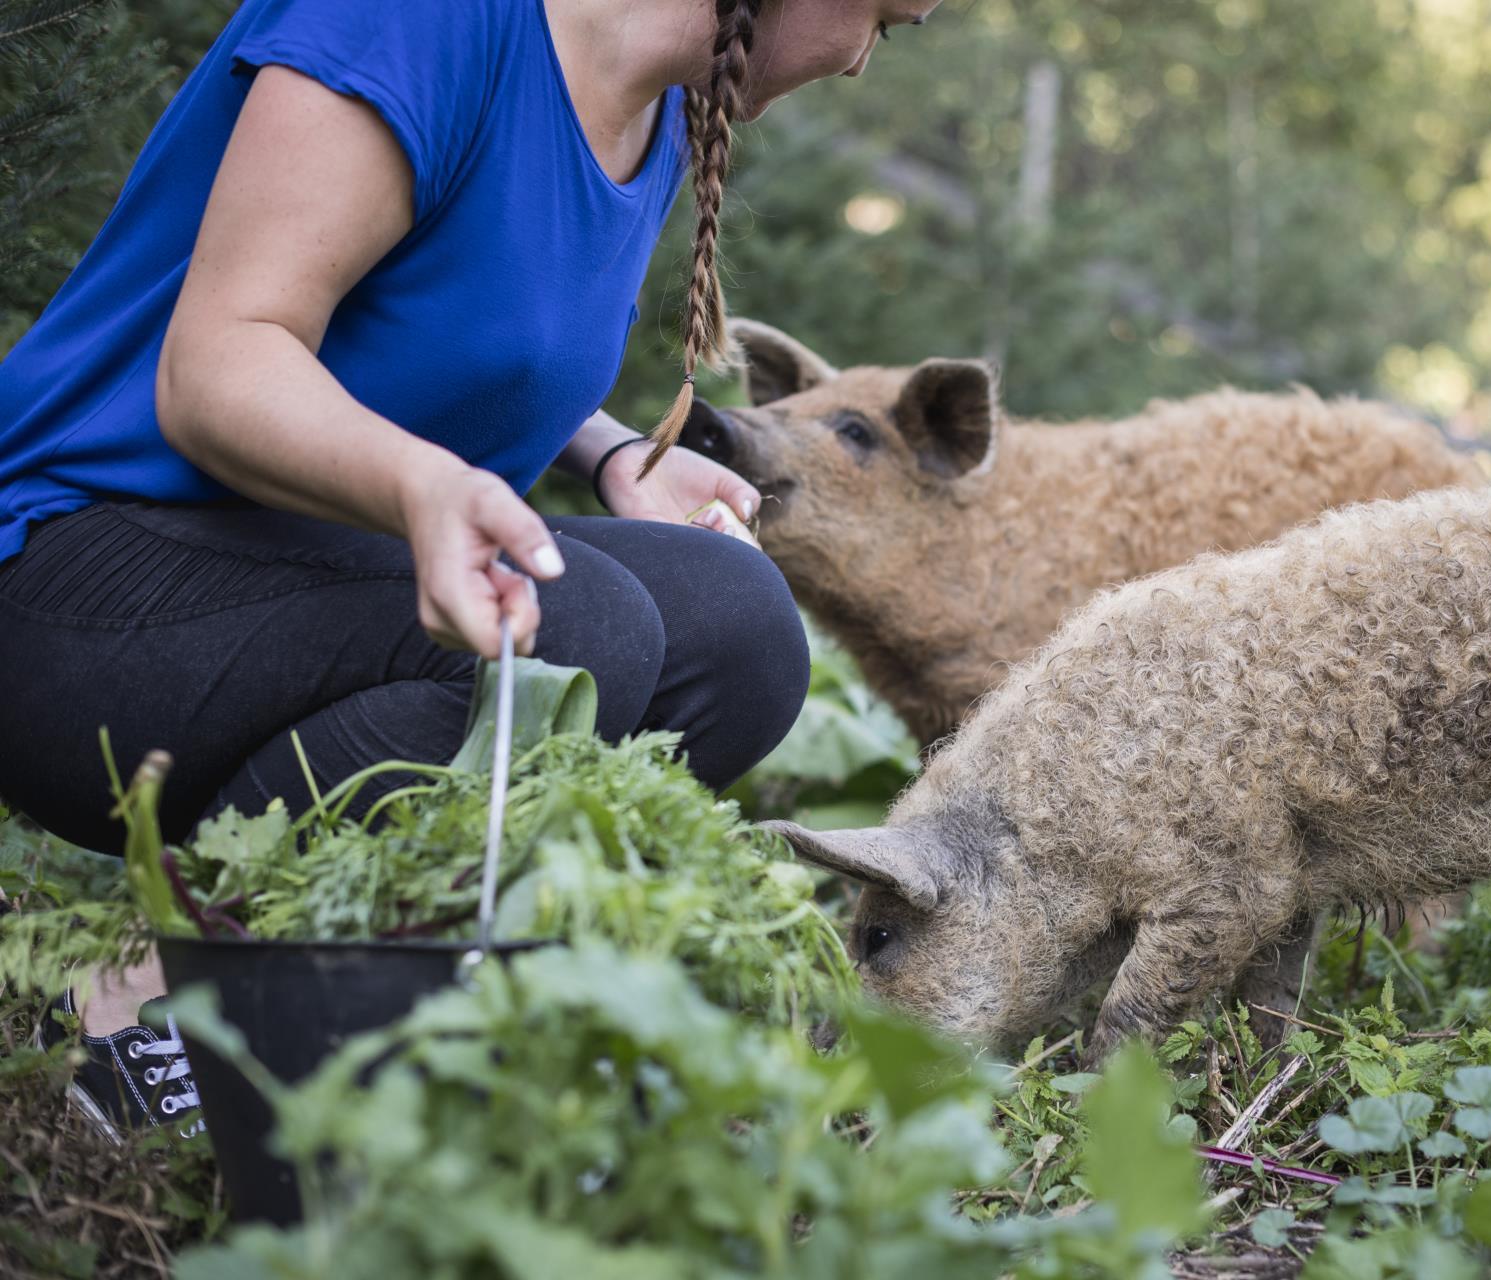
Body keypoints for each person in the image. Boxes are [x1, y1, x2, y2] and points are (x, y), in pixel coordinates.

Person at [0, 0, 941, 1135]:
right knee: (570, 623)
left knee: (734, 628)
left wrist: (608, 455)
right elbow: (219, 364)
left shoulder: (655, 113)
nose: (854, 62)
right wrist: (422, 488)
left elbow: (452, 323)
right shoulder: (422, 20)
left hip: (280, 589)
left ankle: (381, 992)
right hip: (78, 593)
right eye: (884, 23)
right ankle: (138, 1021)